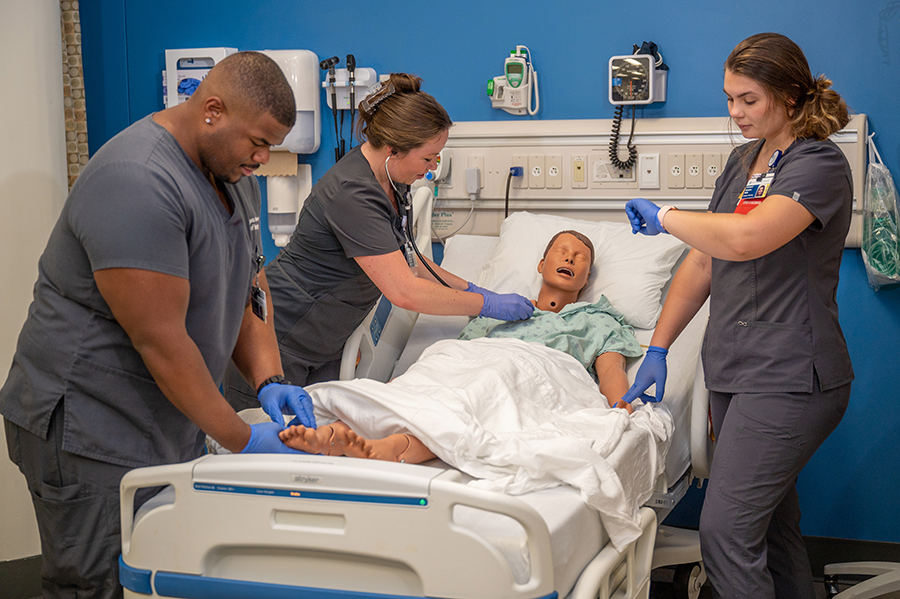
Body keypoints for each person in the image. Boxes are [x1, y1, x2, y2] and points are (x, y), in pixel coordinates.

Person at [0, 51, 318, 598]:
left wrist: (269, 379)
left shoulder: (230, 171)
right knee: (97, 584)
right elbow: (163, 341)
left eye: (273, 147)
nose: (264, 160)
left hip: (161, 413)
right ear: (212, 110)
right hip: (90, 425)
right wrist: (243, 439)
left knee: (162, 569)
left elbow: (251, 282)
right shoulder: (138, 181)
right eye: (258, 142)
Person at [621, 33, 853, 599]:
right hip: (734, 370)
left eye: (748, 99)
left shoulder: (818, 164)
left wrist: (668, 214)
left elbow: (747, 238)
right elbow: (704, 259)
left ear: (790, 95)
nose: (735, 112)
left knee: (725, 533)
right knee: (771, 529)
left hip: (792, 375)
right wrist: (658, 347)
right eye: (730, 99)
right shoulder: (741, 162)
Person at [223, 73, 533, 411]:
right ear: (393, 150)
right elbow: (404, 290)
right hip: (280, 336)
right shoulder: (353, 193)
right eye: (428, 158)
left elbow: (409, 260)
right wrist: (484, 306)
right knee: (259, 448)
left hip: (324, 339)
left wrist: (474, 290)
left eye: (437, 159)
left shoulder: (391, 180)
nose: (431, 170)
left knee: (314, 447)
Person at [277, 231, 642, 462]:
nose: (569, 258)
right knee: (419, 387)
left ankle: (392, 447)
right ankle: (333, 432)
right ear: (541, 264)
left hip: (531, 371)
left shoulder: (598, 321)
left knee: (482, 395)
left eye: (580, 258)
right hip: (464, 362)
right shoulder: (497, 310)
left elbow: (611, 371)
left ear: (588, 276)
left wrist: (618, 406)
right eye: (561, 251)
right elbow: (457, 360)